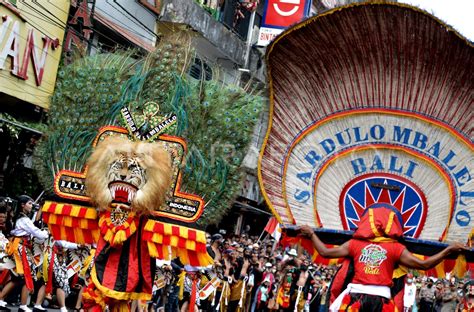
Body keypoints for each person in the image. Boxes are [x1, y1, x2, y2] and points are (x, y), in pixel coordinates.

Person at [299, 205, 468, 312]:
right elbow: (423, 265)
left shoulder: (355, 244)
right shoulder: (395, 248)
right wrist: (447, 250)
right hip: (379, 302)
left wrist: (312, 234)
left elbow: (325, 253)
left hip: (357, 299)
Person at [0, 195, 48, 312]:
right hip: (21, 247)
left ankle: (3, 299)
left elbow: (32, 227)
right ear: (23, 205)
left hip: (21, 247)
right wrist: (47, 232)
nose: (32, 206)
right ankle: (23, 305)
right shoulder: (24, 220)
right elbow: (37, 233)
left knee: (17, 278)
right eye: (30, 203)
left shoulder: (22, 218)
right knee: (28, 275)